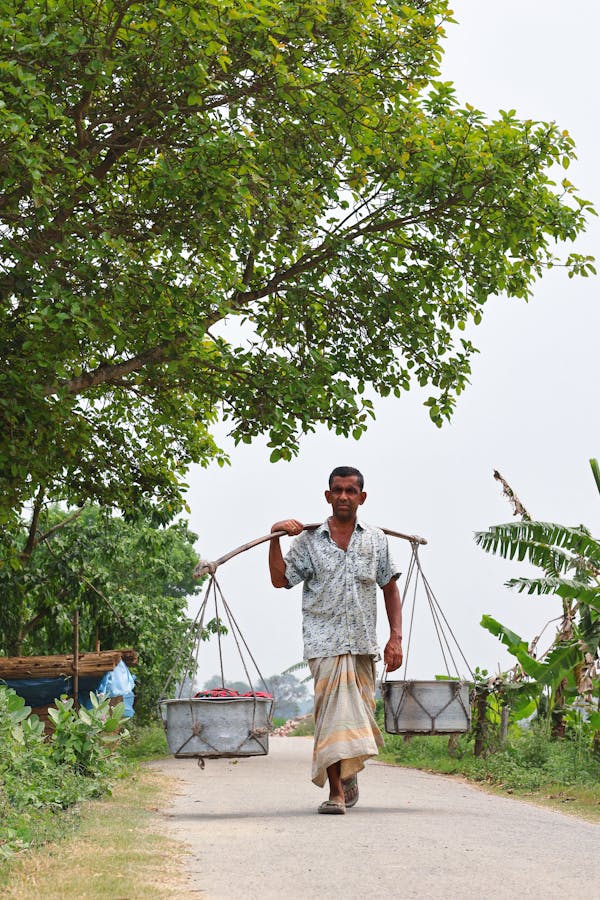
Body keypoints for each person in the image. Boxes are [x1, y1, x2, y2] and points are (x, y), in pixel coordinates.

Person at [268, 465, 403, 815]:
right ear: (328, 497)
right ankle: (336, 793)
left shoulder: (375, 539)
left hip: (361, 645)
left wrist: (395, 638)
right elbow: (280, 580)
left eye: (350, 491)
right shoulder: (310, 541)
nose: (344, 496)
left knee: (356, 718)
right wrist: (274, 537)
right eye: (337, 491)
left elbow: (389, 586)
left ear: (362, 497)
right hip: (323, 645)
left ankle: (348, 773)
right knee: (331, 719)